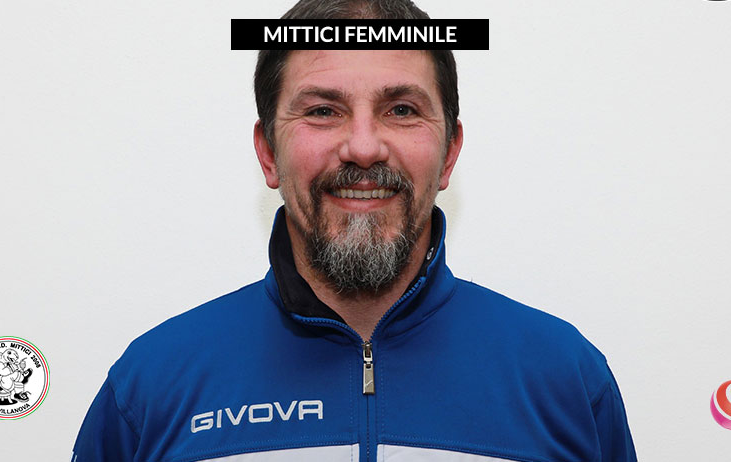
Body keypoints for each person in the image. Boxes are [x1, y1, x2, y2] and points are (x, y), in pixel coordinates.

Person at [73, 0, 637, 461]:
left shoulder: (566, 380)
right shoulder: (152, 387)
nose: (364, 147)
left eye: (402, 110)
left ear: (448, 154)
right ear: (268, 153)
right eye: (323, 111)